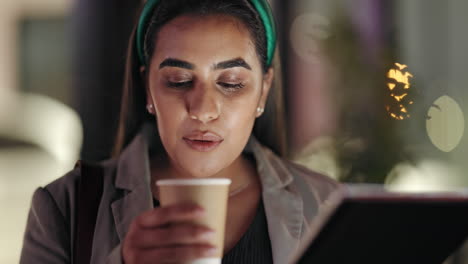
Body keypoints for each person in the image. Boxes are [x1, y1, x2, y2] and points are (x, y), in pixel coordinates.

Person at [20, 0, 340, 263]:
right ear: (147, 89)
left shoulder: (327, 207)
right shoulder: (67, 207)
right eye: (178, 81)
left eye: (230, 84)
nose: (202, 109)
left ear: (263, 91)